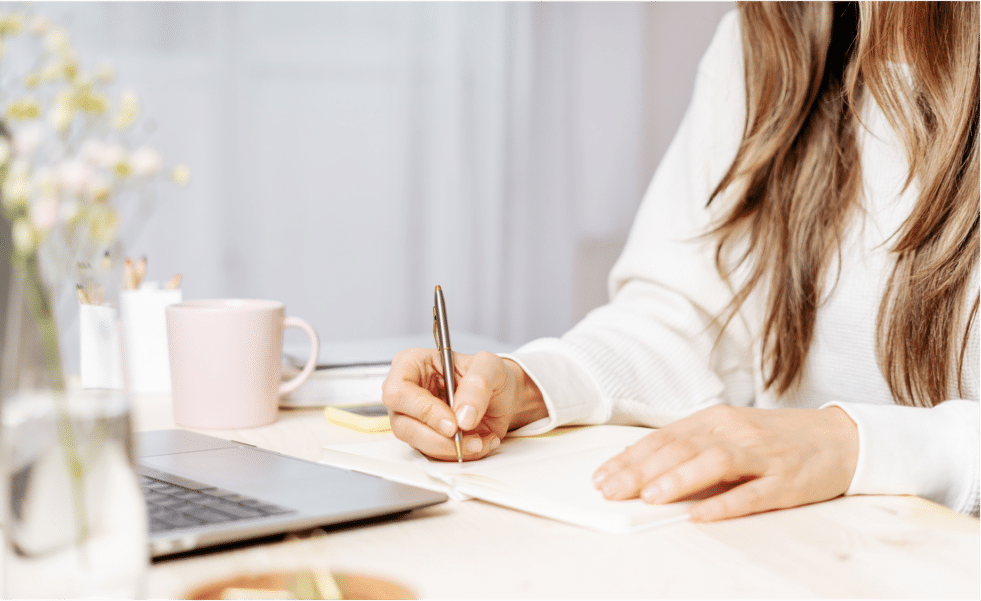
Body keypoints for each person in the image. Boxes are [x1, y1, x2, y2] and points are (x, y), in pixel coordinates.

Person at [382, 1, 980, 521]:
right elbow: (682, 322)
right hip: (799, 550)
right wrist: (530, 386)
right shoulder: (764, 49)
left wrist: (853, 446)